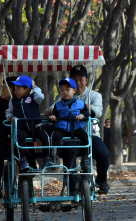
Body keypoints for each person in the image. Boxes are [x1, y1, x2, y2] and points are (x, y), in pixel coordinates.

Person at [48, 65, 111, 193]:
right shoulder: (63, 96)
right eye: (74, 79)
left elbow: (98, 111)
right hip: (70, 135)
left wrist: (82, 106)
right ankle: (72, 189)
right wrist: (50, 112)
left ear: (86, 80)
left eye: (81, 79)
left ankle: (101, 180)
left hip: (89, 134)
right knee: (68, 153)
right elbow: (53, 107)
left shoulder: (94, 95)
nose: (78, 82)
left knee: (104, 154)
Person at [48, 78, 91, 193]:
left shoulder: (81, 104)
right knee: (55, 136)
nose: (65, 92)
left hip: (76, 127)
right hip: (62, 128)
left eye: (68, 90)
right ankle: (54, 157)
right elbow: (55, 117)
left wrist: (82, 115)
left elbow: (87, 114)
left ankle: (85, 158)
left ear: (74, 91)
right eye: (62, 90)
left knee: (85, 136)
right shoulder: (58, 105)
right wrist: (52, 118)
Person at [5, 75, 53, 171]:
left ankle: (47, 157)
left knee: (45, 137)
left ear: (27, 89)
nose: (16, 91)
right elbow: (8, 112)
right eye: (15, 89)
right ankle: (23, 159)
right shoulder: (13, 101)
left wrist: (34, 86)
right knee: (20, 137)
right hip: (23, 128)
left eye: (19, 89)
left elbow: (40, 96)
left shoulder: (34, 98)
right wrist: (11, 117)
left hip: (36, 127)